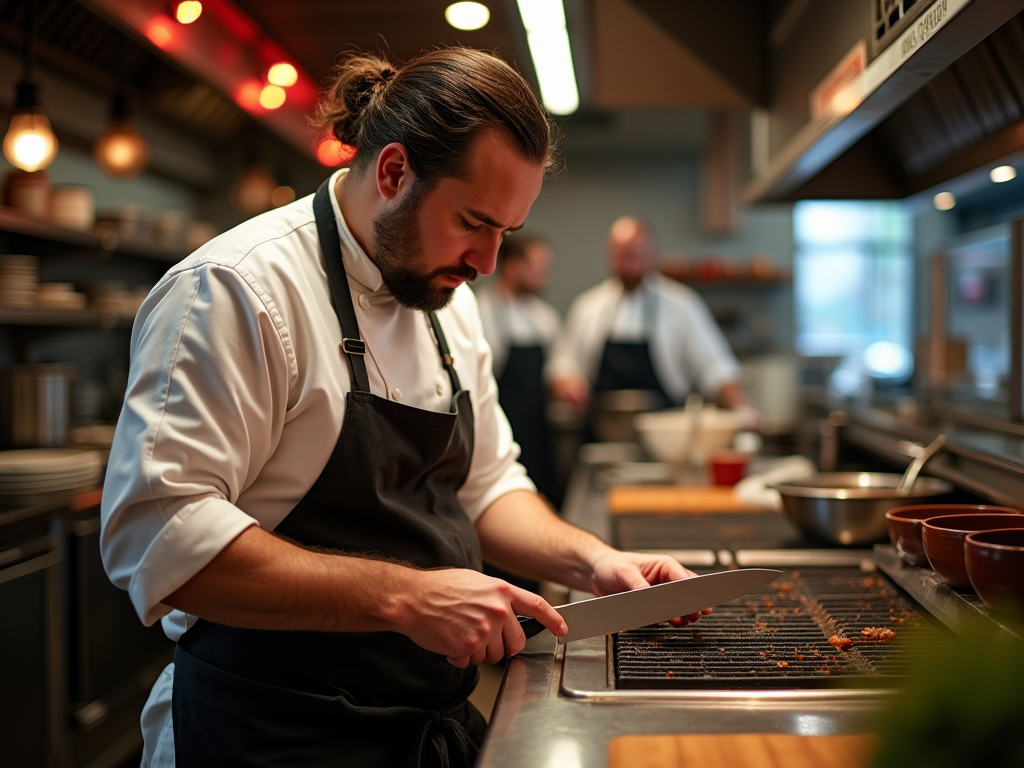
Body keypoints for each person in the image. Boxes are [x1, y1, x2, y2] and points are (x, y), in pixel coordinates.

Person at [100, 49, 707, 768]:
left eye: (504, 234)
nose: (486, 261)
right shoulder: (236, 291)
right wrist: (405, 598)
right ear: (392, 173)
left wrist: (597, 563)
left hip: (416, 730)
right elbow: (159, 538)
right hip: (263, 733)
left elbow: (485, 485)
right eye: (472, 222)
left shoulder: (452, 301)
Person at [549, 216, 751, 418]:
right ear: (610, 255)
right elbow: (565, 361)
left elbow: (714, 367)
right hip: (602, 428)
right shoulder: (588, 307)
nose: (628, 266)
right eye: (622, 257)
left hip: (666, 429)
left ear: (652, 254)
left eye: (634, 256)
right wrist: (568, 381)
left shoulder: (682, 305)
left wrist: (739, 404)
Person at [475, 234, 561, 506]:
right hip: (499, 428)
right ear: (512, 267)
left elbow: (556, 368)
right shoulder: (480, 312)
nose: (545, 277)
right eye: (538, 269)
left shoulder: (545, 317)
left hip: (538, 428)